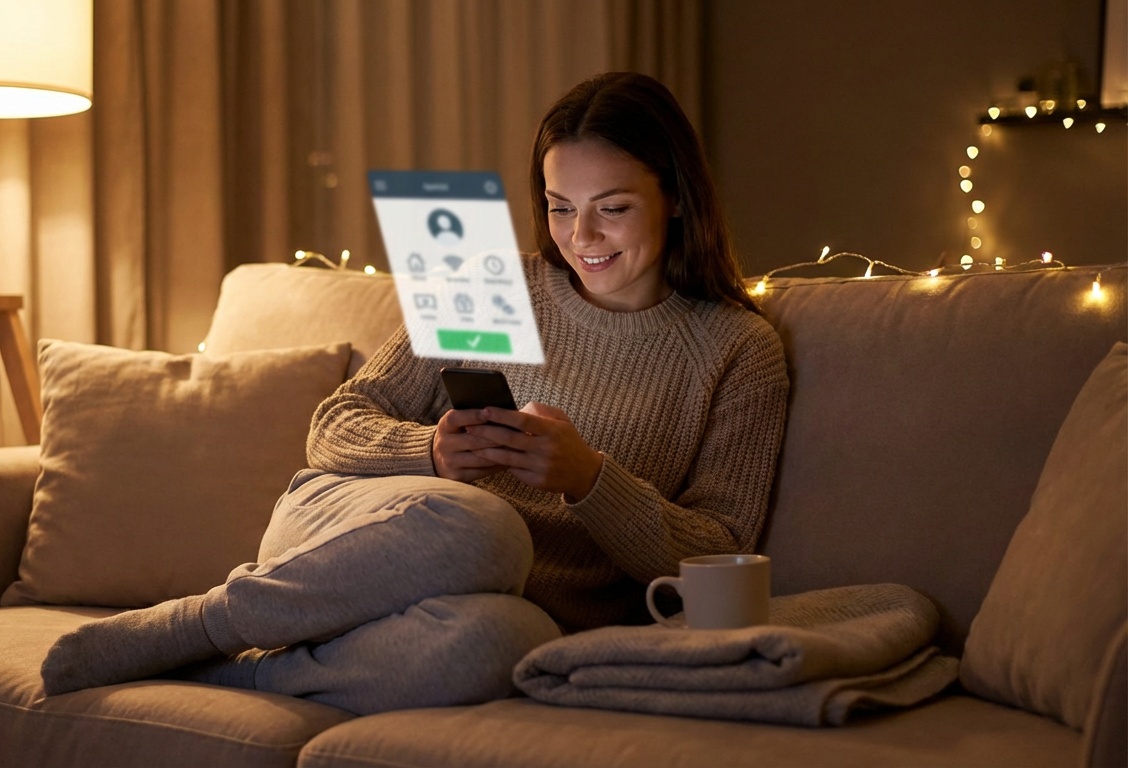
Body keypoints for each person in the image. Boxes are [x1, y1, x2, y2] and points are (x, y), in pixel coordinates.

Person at [39, 71, 790, 714]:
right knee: (485, 529)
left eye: (613, 208)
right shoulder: (490, 282)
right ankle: (192, 626)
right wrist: (426, 450)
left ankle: (242, 671)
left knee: (509, 647)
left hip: (499, 601)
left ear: (677, 198)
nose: (580, 234)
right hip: (351, 525)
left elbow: (718, 554)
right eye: (560, 206)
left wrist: (591, 481)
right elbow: (333, 426)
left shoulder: (737, 351)